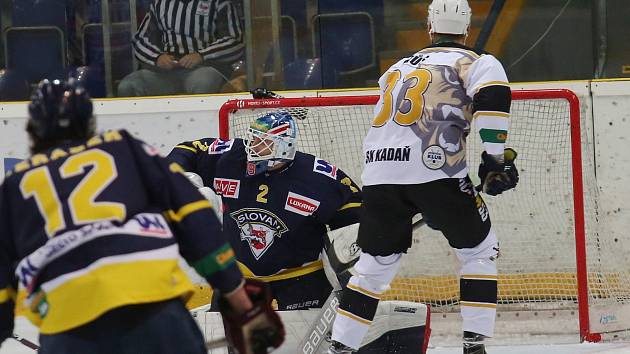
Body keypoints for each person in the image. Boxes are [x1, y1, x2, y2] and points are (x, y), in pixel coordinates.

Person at [0, 79, 283, 354]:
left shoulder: (12, 188)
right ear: (90, 123)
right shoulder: (124, 147)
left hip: (68, 331)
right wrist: (240, 300)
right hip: (157, 317)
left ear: (32, 129)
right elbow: (196, 219)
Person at [327, 1, 519, 353]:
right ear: (467, 30)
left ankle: (340, 347)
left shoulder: (396, 68)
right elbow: (492, 101)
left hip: (379, 172)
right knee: (479, 250)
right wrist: (494, 161)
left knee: (371, 269)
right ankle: (474, 346)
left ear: (429, 28)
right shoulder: (478, 61)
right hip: (436, 170)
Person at [167, 108, 363, 313]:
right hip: (242, 276)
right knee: (227, 342)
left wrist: (349, 248)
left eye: (263, 143)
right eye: (253, 139)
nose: (253, 148)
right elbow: (188, 150)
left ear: (285, 147)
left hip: (301, 276)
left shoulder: (317, 176)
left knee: (311, 343)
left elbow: (353, 206)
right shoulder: (231, 157)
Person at [117, 0, 243, 97]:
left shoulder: (219, 3)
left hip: (204, 68)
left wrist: (201, 55)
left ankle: (200, 129)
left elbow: (235, 40)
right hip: (164, 73)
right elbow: (140, 39)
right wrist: (157, 58)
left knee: (204, 82)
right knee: (128, 86)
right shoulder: (160, 3)